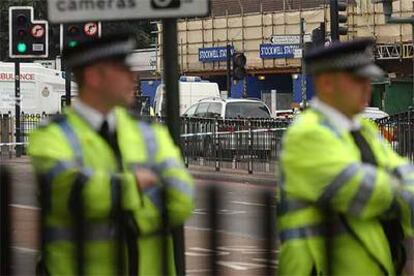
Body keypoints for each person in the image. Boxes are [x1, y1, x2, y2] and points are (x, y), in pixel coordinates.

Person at [28, 34, 194, 275]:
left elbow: (182, 198)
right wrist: (136, 185)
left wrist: (107, 195)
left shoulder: (150, 133)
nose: (133, 77)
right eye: (123, 69)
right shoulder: (51, 136)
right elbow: (74, 193)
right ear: (95, 76)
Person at [277, 38, 414, 275]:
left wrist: (394, 183)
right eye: (358, 80)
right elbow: (360, 190)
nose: (367, 88)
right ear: (328, 83)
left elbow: (406, 174)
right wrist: (397, 188)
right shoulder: (307, 133)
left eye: (368, 80)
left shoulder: (363, 129)